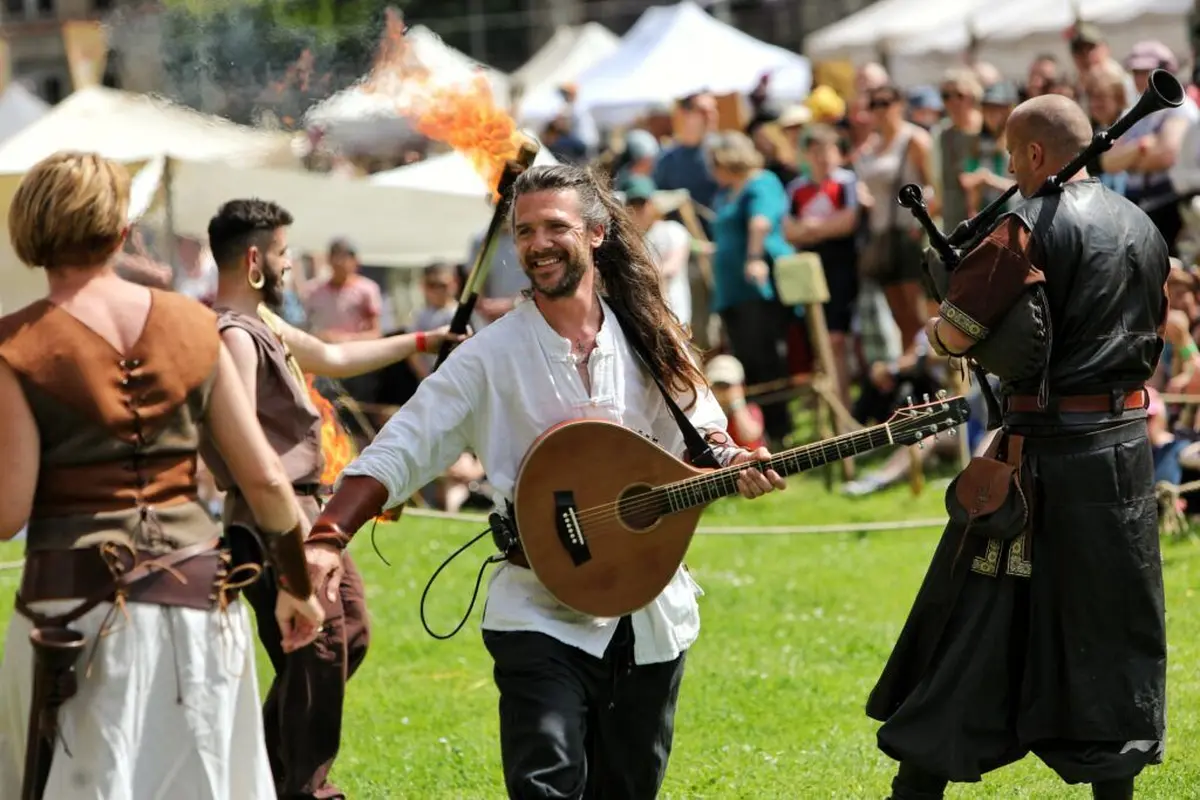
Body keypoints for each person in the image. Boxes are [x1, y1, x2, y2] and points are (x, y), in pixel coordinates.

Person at [301, 164, 787, 799]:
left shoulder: (649, 333)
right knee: (545, 787)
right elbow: (399, 449)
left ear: (596, 233)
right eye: (523, 230)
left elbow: (703, 429)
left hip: (649, 612)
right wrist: (328, 536)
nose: (536, 243)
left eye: (554, 226)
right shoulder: (488, 356)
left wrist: (730, 459)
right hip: (539, 611)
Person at [867, 95, 1169, 800]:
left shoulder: (1021, 227)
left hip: (1038, 464)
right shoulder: (1143, 225)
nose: (1006, 167)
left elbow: (960, 328)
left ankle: (917, 790)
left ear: (1035, 155)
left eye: (1010, 153)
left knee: (971, 627)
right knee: (1110, 629)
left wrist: (942, 332)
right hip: (1122, 453)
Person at [0, 151, 325, 799]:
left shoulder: (13, 346)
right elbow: (262, 478)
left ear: (28, 235)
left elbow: (8, 512)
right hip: (201, 607)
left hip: (72, 620)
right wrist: (296, 584)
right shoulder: (195, 323)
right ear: (121, 232)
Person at [200, 198, 466, 800]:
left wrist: (423, 338)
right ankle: (305, 790)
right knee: (316, 650)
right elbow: (239, 440)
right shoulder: (233, 336)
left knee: (349, 640)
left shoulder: (264, 322)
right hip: (273, 516)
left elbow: (335, 357)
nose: (290, 265)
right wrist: (280, 525)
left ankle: (256, 772)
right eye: (283, 253)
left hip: (306, 509)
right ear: (253, 258)